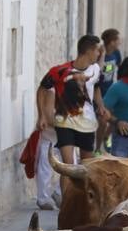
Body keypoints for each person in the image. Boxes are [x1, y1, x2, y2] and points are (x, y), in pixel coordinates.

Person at [38, 35, 105, 168]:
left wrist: (101, 105)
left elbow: (96, 87)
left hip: (88, 123)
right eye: (97, 51)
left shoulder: (96, 70)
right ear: (89, 51)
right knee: (68, 167)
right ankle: (66, 189)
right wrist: (42, 116)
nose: (98, 54)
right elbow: (42, 89)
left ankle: (81, 190)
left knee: (87, 167)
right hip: (65, 122)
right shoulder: (59, 71)